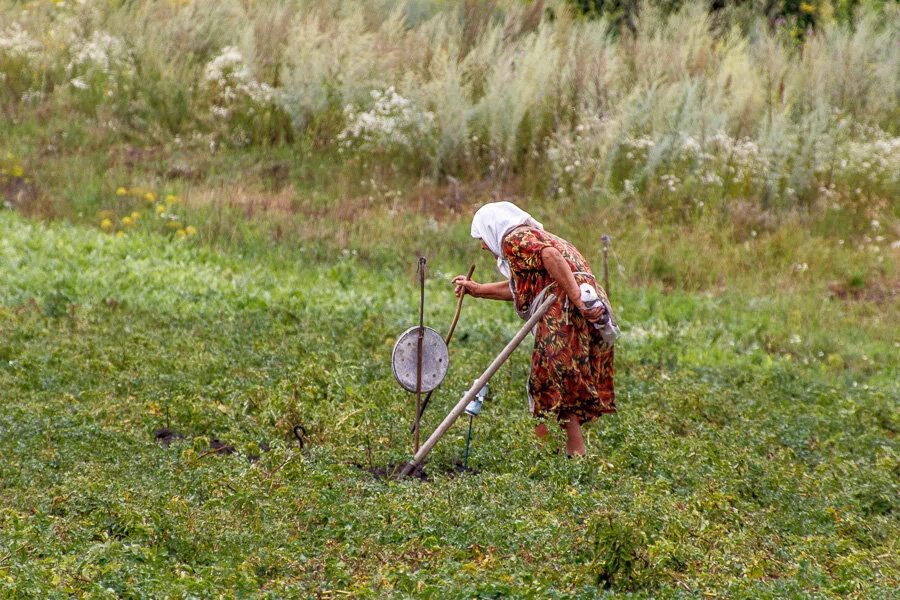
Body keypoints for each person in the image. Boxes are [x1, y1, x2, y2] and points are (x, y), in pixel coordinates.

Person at [452, 201, 616, 456]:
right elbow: (523, 287)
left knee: (545, 383)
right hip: (586, 306)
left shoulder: (513, 239)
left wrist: (576, 299)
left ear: (492, 228)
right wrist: (479, 289)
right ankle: (575, 457)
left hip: (568, 310)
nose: (484, 246)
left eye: (482, 238)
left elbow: (550, 257)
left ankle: (545, 455)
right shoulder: (534, 238)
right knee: (561, 384)